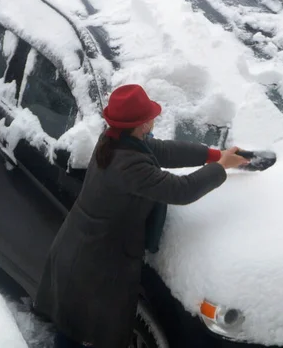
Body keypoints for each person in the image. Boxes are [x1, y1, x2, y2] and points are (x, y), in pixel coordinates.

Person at [34, 84, 249, 348]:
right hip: (93, 265)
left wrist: (213, 155)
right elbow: (180, 190)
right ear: (142, 123)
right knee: (76, 334)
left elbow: (164, 151)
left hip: (84, 252)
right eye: (150, 115)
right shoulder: (128, 164)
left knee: (75, 327)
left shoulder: (116, 140)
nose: (154, 118)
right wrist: (220, 167)